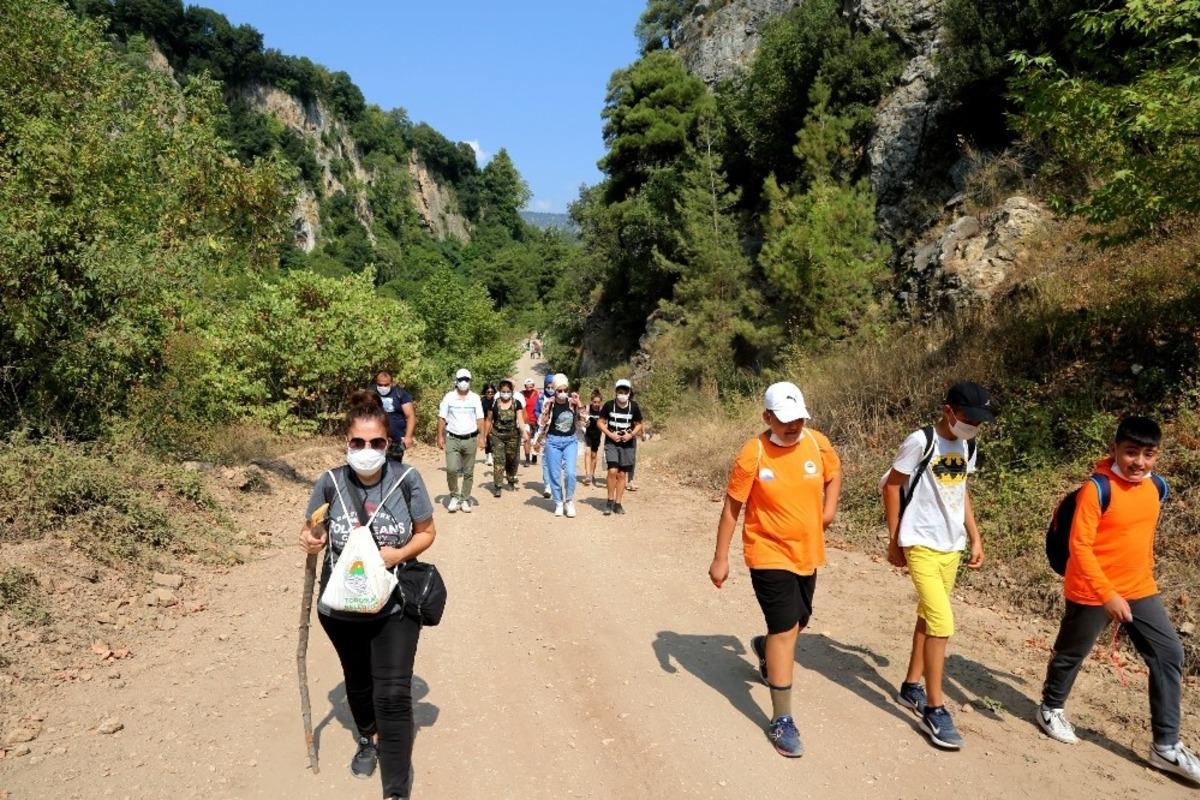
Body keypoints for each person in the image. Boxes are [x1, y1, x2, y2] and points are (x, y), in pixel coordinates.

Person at [1037, 416, 1199, 784]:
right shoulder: (1097, 489)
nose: (1139, 462)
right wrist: (1107, 593)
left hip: (1139, 587)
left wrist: (1132, 583)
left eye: (1148, 454)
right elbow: (1079, 546)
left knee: (1169, 653)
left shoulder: (1157, 487)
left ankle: (1166, 746)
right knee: (1072, 653)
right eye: (1130, 453)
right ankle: (1050, 708)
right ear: (1114, 450)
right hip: (1092, 587)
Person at [298, 391, 436, 800]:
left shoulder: (407, 480)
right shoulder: (330, 482)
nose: (367, 450)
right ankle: (366, 736)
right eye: (358, 442)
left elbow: (428, 532)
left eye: (376, 442)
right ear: (346, 442)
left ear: (388, 443)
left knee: (392, 693)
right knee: (358, 684)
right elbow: (312, 530)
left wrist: (400, 552)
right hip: (341, 607)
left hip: (395, 603)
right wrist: (310, 540)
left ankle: (395, 789)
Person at [708, 382, 841, 758]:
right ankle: (782, 719)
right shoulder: (753, 454)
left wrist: (828, 511)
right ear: (767, 417)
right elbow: (732, 508)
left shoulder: (817, 444)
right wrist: (721, 557)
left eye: (799, 418)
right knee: (785, 628)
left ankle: (766, 649)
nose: (794, 426)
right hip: (766, 552)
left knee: (800, 620)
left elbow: (834, 473)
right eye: (785, 421)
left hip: (807, 551)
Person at [882, 380, 994, 751]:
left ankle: (911, 686)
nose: (973, 426)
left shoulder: (968, 445)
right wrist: (895, 537)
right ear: (949, 411)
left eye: (978, 421)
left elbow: (960, 491)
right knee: (943, 622)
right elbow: (892, 484)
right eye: (967, 418)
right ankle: (934, 707)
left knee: (929, 617)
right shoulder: (921, 440)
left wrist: (974, 536)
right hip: (920, 541)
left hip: (951, 545)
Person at [436, 368, 485, 513]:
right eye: (461, 379)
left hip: (470, 438)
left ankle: (464, 499)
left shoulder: (475, 398)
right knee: (451, 469)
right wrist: (440, 436)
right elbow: (442, 418)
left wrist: (482, 437)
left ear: (470, 381)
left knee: (469, 471)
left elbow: (480, 418)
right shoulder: (449, 397)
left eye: (466, 380)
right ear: (456, 381)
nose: (463, 382)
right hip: (452, 438)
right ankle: (454, 495)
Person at [533, 373, 580, 518]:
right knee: (554, 474)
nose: (563, 393)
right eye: (559, 390)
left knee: (571, 473)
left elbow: (585, 421)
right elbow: (542, 424)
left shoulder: (573, 402)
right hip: (553, 442)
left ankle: (569, 501)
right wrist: (537, 442)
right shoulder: (549, 403)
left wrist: (580, 404)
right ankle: (558, 502)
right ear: (554, 389)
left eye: (565, 390)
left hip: (570, 441)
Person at [598, 379, 644, 516]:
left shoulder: (634, 407)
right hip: (612, 442)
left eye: (625, 392)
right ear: (616, 392)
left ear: (629, 393)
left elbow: (639, 424)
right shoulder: (609, 405)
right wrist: (610, 434)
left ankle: (618, 503)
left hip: (627, 444)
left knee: (622, 474)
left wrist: (631, 435)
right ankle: (609, 501)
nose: (622, 394)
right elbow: (600, 423)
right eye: (620, 391)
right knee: (612, 471)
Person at [483, 378, 529, 498]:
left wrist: (524, 432)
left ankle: (511, 479)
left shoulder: (516, 403)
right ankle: (498, 486)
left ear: (512, 391)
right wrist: (484, 436)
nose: (505, 393)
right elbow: (489, 420)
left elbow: (520, 419)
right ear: (499, 391)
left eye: (508, 391)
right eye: (503, 391)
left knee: (511, 459)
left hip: (513, 436)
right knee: (499, 460)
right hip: (497, 436)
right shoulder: (494, 403)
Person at [373, 371, 415, 463]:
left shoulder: (401, 394)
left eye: (386, 385)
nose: (383, 387)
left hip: (396, 439)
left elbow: (410, 416)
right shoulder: (371, 394)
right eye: (380, 385)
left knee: (394, 466)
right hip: (375, 438)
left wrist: (408, 437)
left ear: (391, 383)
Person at [534, 373, 556, 498]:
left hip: (557, 433)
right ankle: (547, 485)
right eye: (548, 386)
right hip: (543, 433)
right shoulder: (541, 398)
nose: (550, 389)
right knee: (545, 460)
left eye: (552, 386)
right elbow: (536, 411)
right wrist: (541, 418)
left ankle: (555, 483)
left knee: (557, 460)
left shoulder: (562, 398)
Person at [581, 389, 604, 486]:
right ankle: (587, 475)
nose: (596, 404)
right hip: (588, 433)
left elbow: (605, 422)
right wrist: (584, 422)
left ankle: (592, 473)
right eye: (594, 402)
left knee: (594, 455)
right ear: (591, 401)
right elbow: (581, 419)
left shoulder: (602, 410)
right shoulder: (587, 408)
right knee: (587, 452)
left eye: (598, 402)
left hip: (597, 434)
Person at [520, 378, 540, 466]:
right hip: (526, 421)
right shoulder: (521, 395)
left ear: (533, 386)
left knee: (536, 440)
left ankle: (534, 456)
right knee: (526, 439)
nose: (529, 389)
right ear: (525, 387)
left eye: (531, 387)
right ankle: (527, 459)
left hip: (537, 420)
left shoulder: (538, 394)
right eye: (527, 387)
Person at [480, 383, 497, 468]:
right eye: (488, 392)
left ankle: (491, 455)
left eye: (492, 392)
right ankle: (488, 455)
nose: (490, 393)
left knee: (491, 437)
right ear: (485, 392)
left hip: (494, 421)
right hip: (483, 421)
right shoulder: (481, 401)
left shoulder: (496, 400)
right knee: (486, 437)